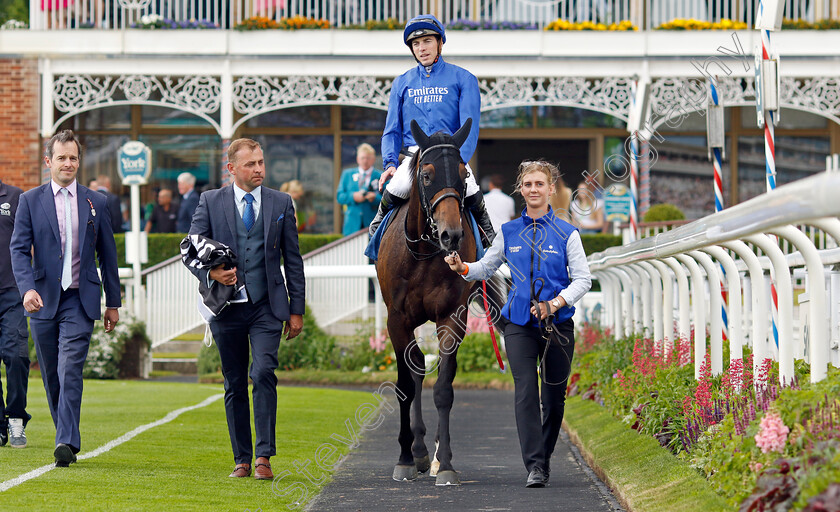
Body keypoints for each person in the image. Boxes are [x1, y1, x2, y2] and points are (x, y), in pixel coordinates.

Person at [444, 160, 591, 488]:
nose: (534, 190)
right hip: (519, 324)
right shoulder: (509, 232)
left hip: (558, 325)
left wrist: (555, 303)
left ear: (551, 189)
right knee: (526, 389)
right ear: (520, 190)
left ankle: (544, 459)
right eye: (528, 185)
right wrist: (462, 267)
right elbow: (486, 267)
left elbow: (583, 279)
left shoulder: (568, 233)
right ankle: (535, 466)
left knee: (553, 400)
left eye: (540, 184)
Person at [184, 138, 305, 480]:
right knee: (234, 382)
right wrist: (211, 271)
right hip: (226, 308)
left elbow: (293, 259)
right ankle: (242, 458)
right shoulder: (210, 201)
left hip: (267, 306)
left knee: (263, 372)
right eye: (251, 164)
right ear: (232, 168)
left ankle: (264, 457)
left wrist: (297, 310)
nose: (259, 169)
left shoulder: (282, 202)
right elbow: (191, 248)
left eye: (261, 163)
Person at [10, 130, 121, 467]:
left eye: (73, 157)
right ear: (49, 162)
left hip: (80, 298)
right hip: (41, 298)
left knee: (69, 366)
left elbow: (108, 255)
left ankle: (65, 440)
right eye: (62, 157)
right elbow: (18, 249)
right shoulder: (30, 201)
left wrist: (113, 303)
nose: (68, 163)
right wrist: (27, 288)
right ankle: (67, 436)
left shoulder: (96, 202)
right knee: (50, 374)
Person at [369, 14, 495, 245]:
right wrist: (389, 163)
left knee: (472, 190)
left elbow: (470, 127)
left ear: (440, 43)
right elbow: (392, 130)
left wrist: (457, 160)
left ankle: (489, 240)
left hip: (450, 154)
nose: (421, 48)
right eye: (416, 44)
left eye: (427, 41)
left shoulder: (464, 79)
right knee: (397, 186)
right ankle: (376, 235)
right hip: (414, 157)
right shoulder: (401, 82)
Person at [0, 179, 30, 449]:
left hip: (12, 291)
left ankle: (16, 418)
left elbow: (28, 240)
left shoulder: (14, 196)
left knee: (16, 355)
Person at [336, 143, 382, 236]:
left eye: (368, 158)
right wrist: (353, 197)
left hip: (372, 224)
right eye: (362, 158)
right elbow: (339, 196)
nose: (365, 161)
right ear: (358, 159)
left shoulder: (380, 176)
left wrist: (374, 198)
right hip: (352, 225)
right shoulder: (347, 174)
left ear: (373, 159)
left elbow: (388, 199)